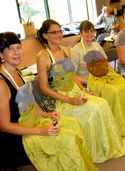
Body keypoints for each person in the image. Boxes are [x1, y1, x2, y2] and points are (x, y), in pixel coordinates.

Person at [0, 32, 98, 171]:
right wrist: (41, 131)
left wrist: (48, 115)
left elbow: (28, 107)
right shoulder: (2, 84)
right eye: (10, 49)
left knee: (74, 125)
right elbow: (4, 126)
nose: (17, 52)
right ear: (1, 55)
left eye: (18, 47)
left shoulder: (17, 73)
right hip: (15, 138)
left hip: (30, 122)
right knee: (67, 139)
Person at [36, 19, 125, 163]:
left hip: (74, 91)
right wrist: (69, 100)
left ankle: (105, 146)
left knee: (102, 104)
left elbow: (72, 75)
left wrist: (83, 91)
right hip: (59, 99)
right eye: (54, 32)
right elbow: (43, 88)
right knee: (94, 109)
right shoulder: (42, 57)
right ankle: (93, 150)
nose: (59, 34)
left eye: (60, 31)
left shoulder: (65, 50)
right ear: (45, 35)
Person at [71, 20, 125, 139]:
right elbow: (73, 75)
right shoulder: (75, 50)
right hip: (89, 81)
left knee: (124, 86)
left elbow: (106, 64)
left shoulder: (97, 46)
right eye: (86, 31)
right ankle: (116, 125)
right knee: (114, 92)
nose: (90, 34)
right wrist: (87, 82)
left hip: (104, 76)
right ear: (80, 33)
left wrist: (115, 75)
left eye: (92, 31)